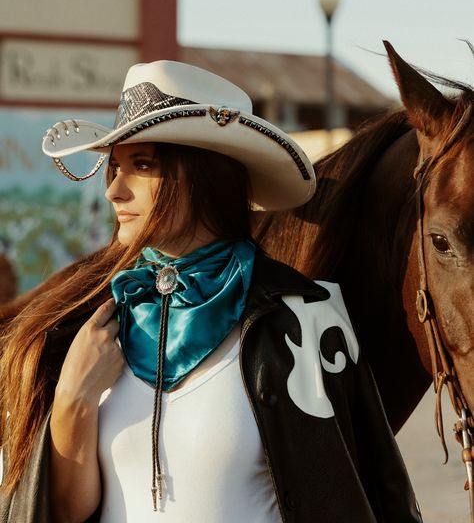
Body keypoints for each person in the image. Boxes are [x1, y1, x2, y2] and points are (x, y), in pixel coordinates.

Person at [0, 61, 422, 523]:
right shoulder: (91, 327)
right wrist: (73, 399)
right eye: (114, 168)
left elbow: (356, 495)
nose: (114, 191)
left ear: (203, 176)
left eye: (141, 165)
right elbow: (65, 510)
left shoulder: (307, 320)